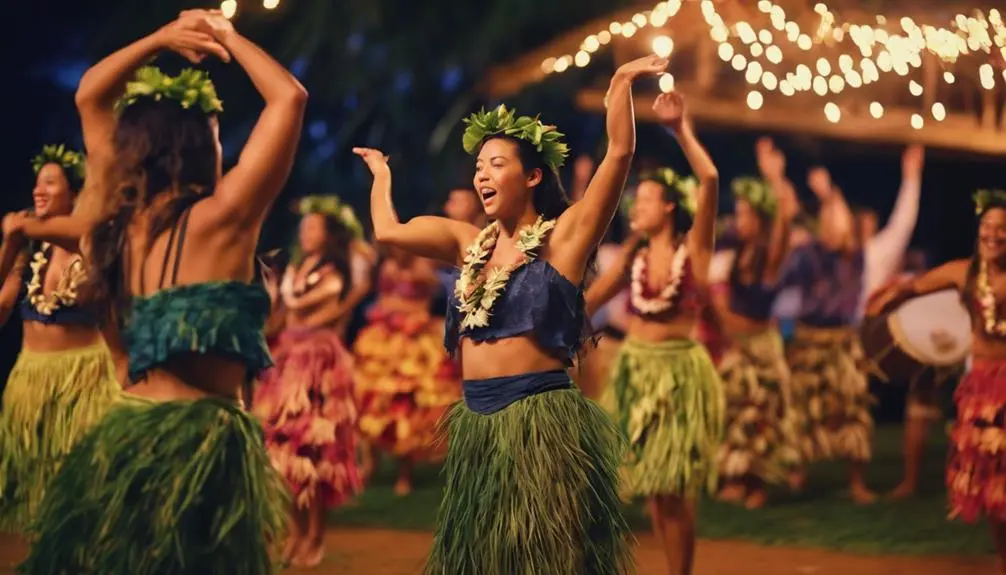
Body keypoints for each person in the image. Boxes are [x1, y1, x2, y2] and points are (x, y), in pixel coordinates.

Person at [354, 54, 669, 574]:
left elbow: (620, 153)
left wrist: (619, 84)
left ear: (533, 176)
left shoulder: (563, 239)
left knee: (543, 557)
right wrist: (381, 173)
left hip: (538, 418)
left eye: (497, 163)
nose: (483, 173)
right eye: (479, 166)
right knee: (486, 558)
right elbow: (389, 231)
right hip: (477, 422)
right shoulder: (465, 242)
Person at [17, 10, 306, 574]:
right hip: (204, 443)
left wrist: (160, 38)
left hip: (126, 429)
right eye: (218, 139)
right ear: (198, 147)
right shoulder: (226, 216)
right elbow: (288, 99)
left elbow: (89, 98)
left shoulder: (116, 224)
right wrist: (225, 34)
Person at [585, 90, 722, 575]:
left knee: (675, 487)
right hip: (636, 372)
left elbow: (708, 177)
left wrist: (679, 128)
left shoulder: (695, 251)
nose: (634, 207)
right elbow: (591, 300)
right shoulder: (634, 256)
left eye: (644, 200)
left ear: (668, 207)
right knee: (655, 494)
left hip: (678, 376)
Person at [868, 188, 1006, 574]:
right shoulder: (965, 272)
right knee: (991, 484)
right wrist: (888, 298)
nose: (993, 234)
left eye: (1002, 228)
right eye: (987, 226)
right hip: (981, 386)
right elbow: (916, 285)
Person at [0, 145, 120, 532]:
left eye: (49, 183)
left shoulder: (92, 242)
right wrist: (11, 244)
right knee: (40, 494)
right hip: (31, 383)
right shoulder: (30, 246)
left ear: (75, 193)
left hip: (83, 382)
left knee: (82, 490)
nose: (38, 190)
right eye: (37, 183)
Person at [253, 195, 363, 567]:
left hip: (319, 366)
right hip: (287, 362)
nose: (305, 233)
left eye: (313, 227)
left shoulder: (333, 273)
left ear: (329, 234)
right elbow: (283, 316)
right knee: (286, 454)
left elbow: (305, 311)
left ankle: (316, 535)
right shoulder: (299, 269)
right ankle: (296, 532)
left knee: (316, 455)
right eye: (304, 227)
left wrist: (281, 290)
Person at [712, 138, 801, 509]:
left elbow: (786, 220)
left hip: (762, 348)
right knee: (735, 412)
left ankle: (758, 483)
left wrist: (775, 178)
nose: (738, 219)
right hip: (738, 347)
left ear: (761, 220)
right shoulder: (734, 253)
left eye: (746, 214)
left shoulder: (770, 257)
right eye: (738, 213)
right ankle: (736, 476)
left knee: (761, 414)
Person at [353, 246, 461, 493]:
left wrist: (404, 310)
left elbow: (425, 304)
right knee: (372, 402)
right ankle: (371, 464)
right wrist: (386, 309)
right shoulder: (387, 267)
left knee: (407, 408)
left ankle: (405, 474)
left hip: (414, 341)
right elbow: (382, 298)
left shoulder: (423, 268)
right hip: (385, 337)